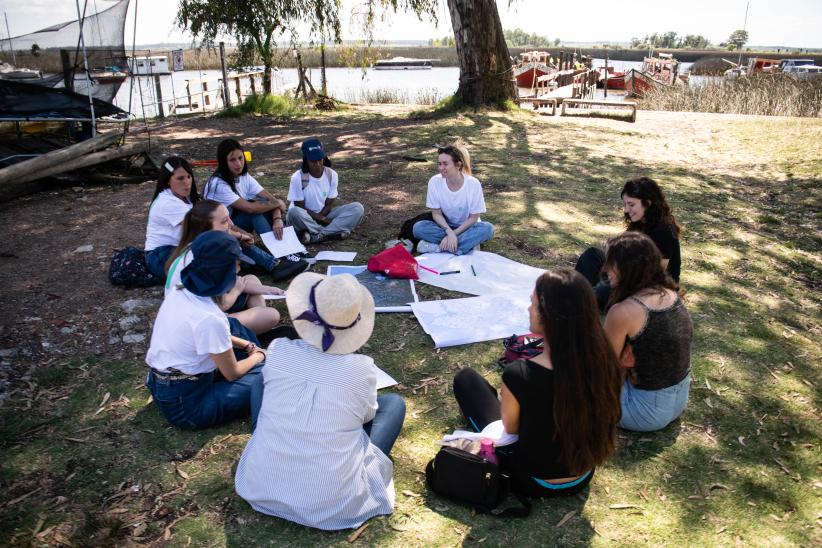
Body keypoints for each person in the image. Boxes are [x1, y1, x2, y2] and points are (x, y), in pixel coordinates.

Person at [235, 272, 405, 530]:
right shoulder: (361, 369)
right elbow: (367, 416)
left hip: (260, 485)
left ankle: (273, 445)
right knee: (393, 404)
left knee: (262, 382)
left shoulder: (279, 349)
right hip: (332, 502)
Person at [452, 269, 622, 497]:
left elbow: (512, 428)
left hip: (532, 479)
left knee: (466, 380)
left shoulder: (520, 374)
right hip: (582, 474)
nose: (528, 309)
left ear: (549, 315)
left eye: (533, 304)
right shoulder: (606, 360)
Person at [145, 231, 267, 430]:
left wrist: (246, 344)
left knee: (233, 325)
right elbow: (233, 373)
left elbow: (204, 333)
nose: (239, 269)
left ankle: (251, 362)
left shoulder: (181, 290)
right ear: (223, 272)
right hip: (188, 406)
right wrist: (260, 355)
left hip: (163, 382)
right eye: (236, 265)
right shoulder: (210, 319)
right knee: (266, 373)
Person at [602, 232, 693, 432]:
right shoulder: (670, 293)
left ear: (627, 268)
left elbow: (603, 368)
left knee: (561, 368)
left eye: (611, 263)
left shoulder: (623, 311)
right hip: (677, 400)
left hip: (642, 410)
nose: (605, 269)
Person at [164, 200, 283, 338]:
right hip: (198, 324)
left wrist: (268, 289)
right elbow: (217, 306)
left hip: (206, 309)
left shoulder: (202, 247)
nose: (231, 224)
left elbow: (232, 283)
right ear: (206, 227)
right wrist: (236, 291)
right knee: (271, 315)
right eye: (225, 221)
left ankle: (256, 328)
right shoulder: (204, 257)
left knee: (251, 279)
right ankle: (255, 329)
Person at [575, 177, 681, 309]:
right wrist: (613, 249)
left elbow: (655, 273)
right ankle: (579, 292)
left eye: (631, 205)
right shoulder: (640, 222)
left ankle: (587, 299)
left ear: (648, 203)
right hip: (630, 275)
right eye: (625, 204)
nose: (626, 210)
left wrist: (616, 260)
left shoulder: (664, 230)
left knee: (613, 278)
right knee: (592, 255)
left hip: (652, 288)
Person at [413, 143, 494, 255]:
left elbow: (474, 217)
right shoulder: (434, 182)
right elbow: (436, 214)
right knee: (418, 228)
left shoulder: (473, 184)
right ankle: (464, 246)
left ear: (458, 165)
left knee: (488, 229)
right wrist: (449, 232)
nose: (441, 168)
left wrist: (454, 234)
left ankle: (439, 247)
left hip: (468, 227)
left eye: (445, 164)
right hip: (445, 226)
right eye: (439, 164)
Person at [203, 139, 288, 239]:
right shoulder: (218, 185)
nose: (239, 164)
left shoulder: (243, 176)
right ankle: (277, 245)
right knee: (255, 212)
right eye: (232, 160)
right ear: (224, 162)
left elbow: (270, 199)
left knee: (266, 208)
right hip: (222, 232)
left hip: (235, 224)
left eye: (240, 158)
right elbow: (250, 208)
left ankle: (286, 242)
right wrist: (278, 203)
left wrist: (277, 218)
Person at [286, 138, 364, 244]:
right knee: (294, 212)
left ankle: (318, 235)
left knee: (357, 208)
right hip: (303, 218)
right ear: (306, 160)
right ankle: (333, 232)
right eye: (313, 161)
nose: (317, 164)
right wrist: (323, 220)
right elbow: (300, 207)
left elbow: (328, 205)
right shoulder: (297, 177)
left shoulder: (332, 175)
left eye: (320, 160)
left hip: (324, 214)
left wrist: (322, 218)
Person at [144, 157, 199, 280]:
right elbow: (202, 226)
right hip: (161, 254)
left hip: (180, 248)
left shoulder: (184, 197)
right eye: (180, 178)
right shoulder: (168, 202)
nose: (187, 182)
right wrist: (239, 235)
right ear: (168, 180)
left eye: (189, 176)